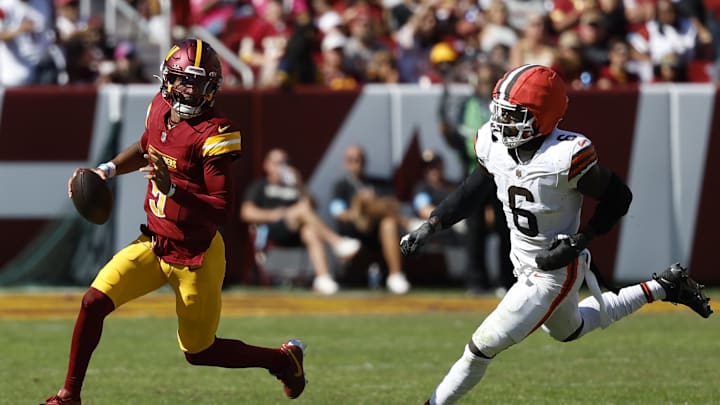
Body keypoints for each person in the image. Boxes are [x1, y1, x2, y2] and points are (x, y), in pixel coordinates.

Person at [401, 64, 713, 405]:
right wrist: (433, 224)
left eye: (514, 115)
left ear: (542, 116)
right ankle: (664, 286)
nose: (503, 123)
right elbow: (474, 189)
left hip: (552, 271)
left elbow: (618, 196)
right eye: (502, 113)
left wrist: (581, 240)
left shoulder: (565, 155)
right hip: (523, 259)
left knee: (480, 346)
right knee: (570, 330)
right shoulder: (493, 142)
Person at [42, 39, 307, 405]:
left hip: (195, 256)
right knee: (93, 302)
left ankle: (282, 360)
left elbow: (221, 209)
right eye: (184, 80)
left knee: (199, 351)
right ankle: (69, 395)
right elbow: (145, 145)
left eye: (198, 83)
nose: (189, 90)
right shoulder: (159, 108)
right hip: (153, 243)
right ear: (167, 79)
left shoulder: (215, 132)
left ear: (212, 88)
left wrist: (174, 190)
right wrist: (106, 170)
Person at [240, 148, 361, 295]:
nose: (282, 166)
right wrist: (277, 214)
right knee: (302, 209)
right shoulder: (260, 186)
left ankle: (323, 278)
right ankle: (336, 242)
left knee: (310, 230)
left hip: (295, 229)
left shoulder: (294, 187)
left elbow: (314, 206)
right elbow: (246, 212)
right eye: (278, 162)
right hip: (272, 229)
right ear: (267, 165)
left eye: (286, 162)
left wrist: (300, 186)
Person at [439, 62, 514, 294]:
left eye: (489, 82)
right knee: (475, 228)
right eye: (481, 81)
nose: (484, 86)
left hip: (500, 173)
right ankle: (476, 280)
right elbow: (459, 141)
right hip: (474, 170)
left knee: (506, 227)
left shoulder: (503, 108)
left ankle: (507, 279)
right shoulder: (466, 107)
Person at [329, 144, 411, 294]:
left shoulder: (380, 183)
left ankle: (396, 276)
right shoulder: (340, 186)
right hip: (354, 230)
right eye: (351, 160)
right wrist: (359, 205)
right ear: (345, 162)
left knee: (389, 222)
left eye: (359, 159)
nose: (356, 163)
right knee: (364, 201)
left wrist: (372, 205)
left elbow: (394, 205)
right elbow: (340, 214)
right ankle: (407, 223)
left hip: (378, 233)